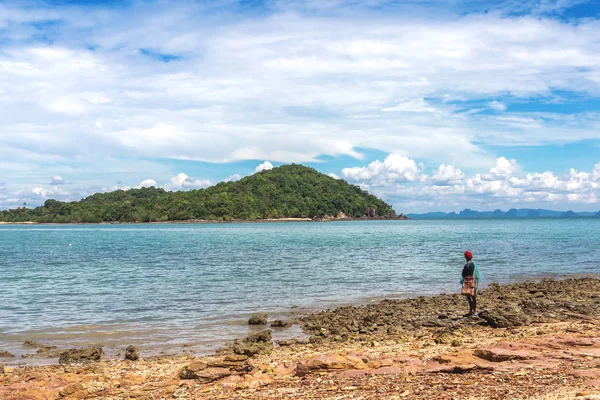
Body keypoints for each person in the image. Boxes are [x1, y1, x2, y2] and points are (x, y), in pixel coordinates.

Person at [461, 251, 480, 316]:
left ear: (465, 258)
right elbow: (477, 274)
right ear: (471, 257)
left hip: (467, 282)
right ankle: (474, 311)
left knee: (468, 296)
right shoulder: (474, 265)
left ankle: (470, 310)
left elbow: (463, 274)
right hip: (473, 281)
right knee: (473, 297)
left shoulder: (466, 265)